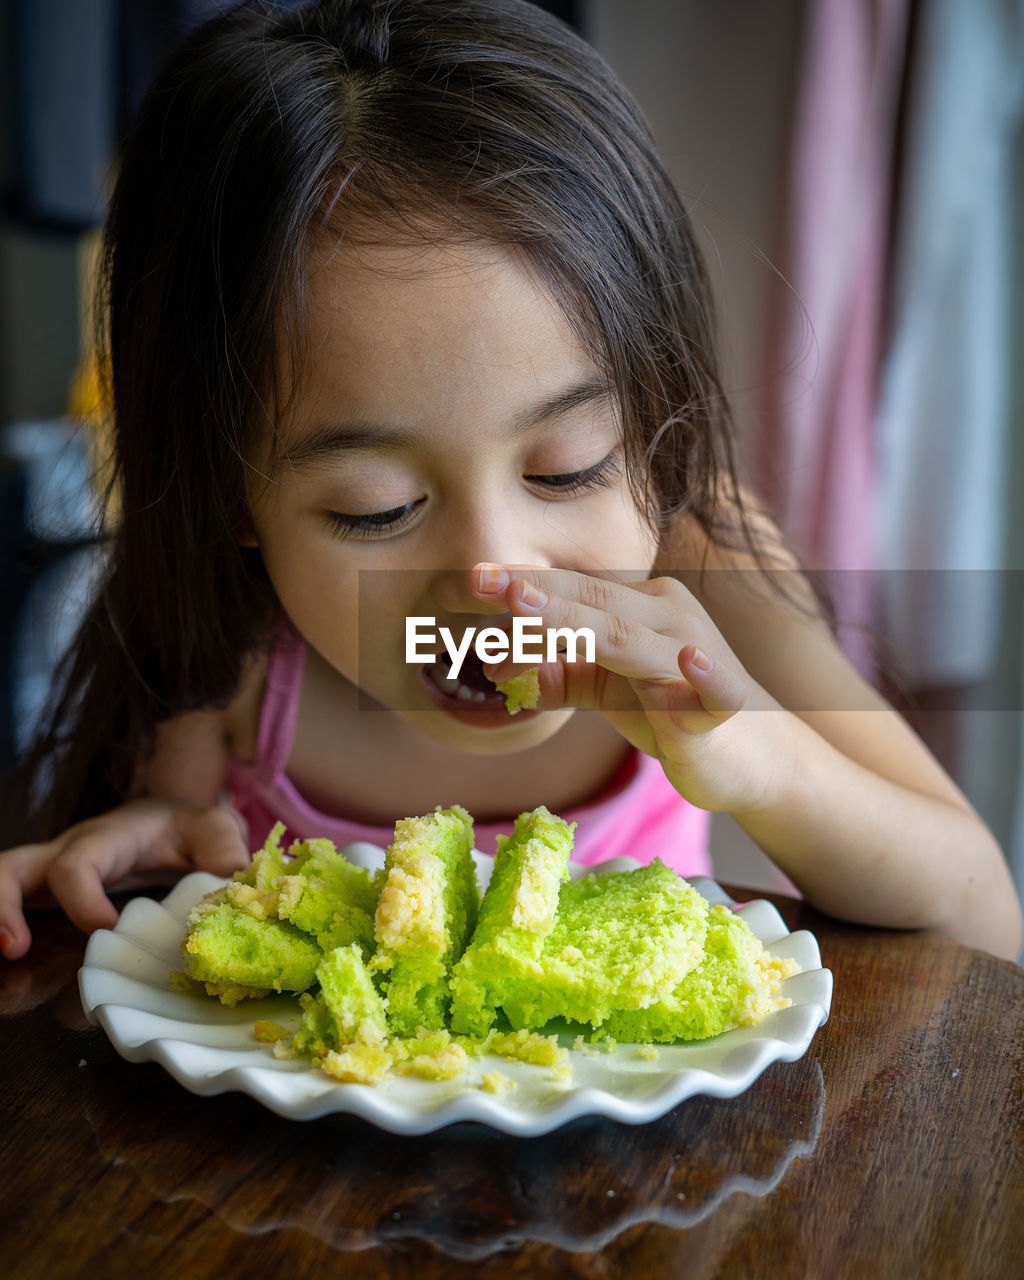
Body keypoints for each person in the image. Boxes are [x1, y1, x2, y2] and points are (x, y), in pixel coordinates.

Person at [0, 0, 1019, 963]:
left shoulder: (701, 565)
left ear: (656, 427)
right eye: (377, 508)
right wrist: (148, 850)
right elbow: (181, 836)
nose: (497, 573)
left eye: (568, 467)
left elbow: (984, 916)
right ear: (230, 499)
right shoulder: (231, 644)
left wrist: (754, 754)